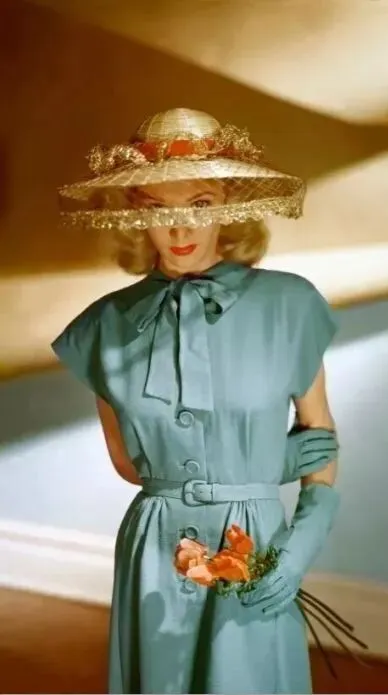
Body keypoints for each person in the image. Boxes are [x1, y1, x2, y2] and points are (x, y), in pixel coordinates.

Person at [52, 107, 340, 694]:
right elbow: (129, 464)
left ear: (229, 204)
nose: (180, 229)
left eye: (201, 204)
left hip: (254, 542)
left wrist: (297, 550)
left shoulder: (291, 305)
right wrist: (268, 461)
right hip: (154, 549)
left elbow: (322, 443)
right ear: (136, 213)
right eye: (159, 209)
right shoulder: (103, 325)